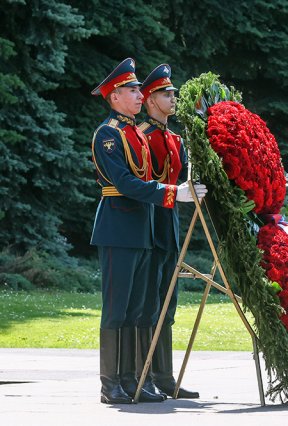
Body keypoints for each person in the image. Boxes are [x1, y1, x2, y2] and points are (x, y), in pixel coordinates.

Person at [90, 58, 206, 404]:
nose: (140, 95)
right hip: (118, 226)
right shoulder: (109, 134)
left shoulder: (133, 133)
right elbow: (126, 182)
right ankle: (110, 383)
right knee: (116, 307)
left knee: (138, 308)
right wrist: (173, 193)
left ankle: (131, 380)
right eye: (132, 90)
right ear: (114, 97)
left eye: (140, 89)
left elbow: (147, 178)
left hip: (140, 227)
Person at [137, 64, 198, 399]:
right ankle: (143, 375)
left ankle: (163, 375)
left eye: (173, 93)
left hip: (169, 223)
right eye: (165, 94)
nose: (172, 98)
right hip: (147, 222)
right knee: (148, 302)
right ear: (149, 100)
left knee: (167, 301)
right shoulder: (141, 137)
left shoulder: (175, 139)